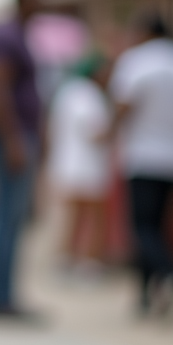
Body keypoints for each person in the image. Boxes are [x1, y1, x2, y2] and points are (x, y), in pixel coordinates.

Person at [110, 14, 173, 318]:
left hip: (142, 157)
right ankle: (146, 294)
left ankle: (169, 272)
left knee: (143, 227)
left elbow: (124, 106)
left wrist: (109, 134)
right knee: (159, 226)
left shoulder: (135, 63)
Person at [0, 0, 43, 320]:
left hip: (14, 135)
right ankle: (2, 298)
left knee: (11, 217)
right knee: (8, 216)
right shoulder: (5, 37)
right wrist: (12, 139)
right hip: (10, 137)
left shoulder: (14, 35)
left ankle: (4, 295)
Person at [47, 53, 112, 277]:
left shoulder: (66, 93)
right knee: (95, 217)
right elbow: (96, 133)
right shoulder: (89, 95)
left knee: (72, 217)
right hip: (88, 166)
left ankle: (66, 259)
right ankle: (90, 263)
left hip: (65, 164)